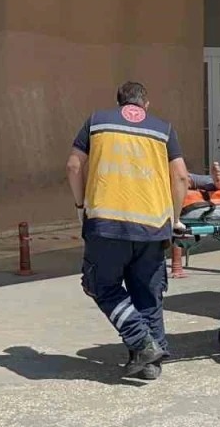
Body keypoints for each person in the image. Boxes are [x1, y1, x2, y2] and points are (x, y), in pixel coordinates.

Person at [66, 81, 189, 381]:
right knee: (147, 292)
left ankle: (143, 342)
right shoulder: (163, 129)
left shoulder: (96, 122)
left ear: (120, 102)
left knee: (101, 286)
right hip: (153, 227)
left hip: (106, 225)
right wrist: (175, 219)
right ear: (145, 104)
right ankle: (151, 362)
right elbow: (181, 176)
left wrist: (80, 205)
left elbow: (73, 166)